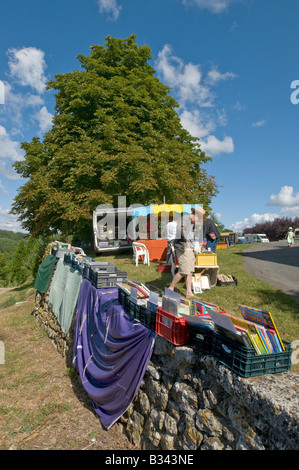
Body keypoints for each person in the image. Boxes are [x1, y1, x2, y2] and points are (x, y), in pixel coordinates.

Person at [168, 208, 202, 298]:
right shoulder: (185, 218)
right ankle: (170, 288)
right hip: (183, 247)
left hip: (189, 248)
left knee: (190, 270)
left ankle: (189, 292)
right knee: (184, 270)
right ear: (196, 215)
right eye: (199, 218)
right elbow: (180, 229)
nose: (198, 221)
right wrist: (186, 239)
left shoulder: (190, 221)